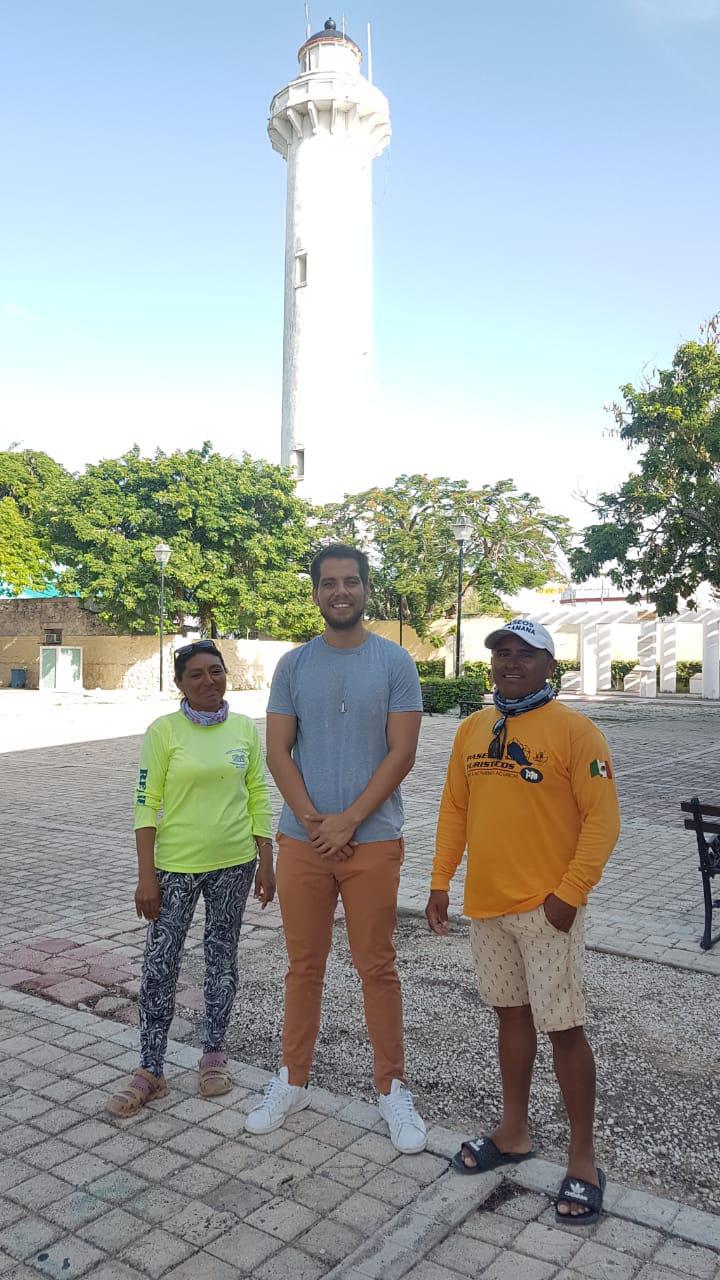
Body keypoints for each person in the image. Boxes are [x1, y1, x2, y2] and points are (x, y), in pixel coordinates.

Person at [426, 618, 620, 1225]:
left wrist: (569, 894)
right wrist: (439, 881)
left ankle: (584, 1159)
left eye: (524, 654)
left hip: (548, 908)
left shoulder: (576, 732)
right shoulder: (472, 730)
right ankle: (513, 1134)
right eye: (501, 654)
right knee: (510, 1018)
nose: (510, 663)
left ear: (548, 667)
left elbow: (602, 820)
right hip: (487, 906)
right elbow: (454, 808)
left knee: (564, 1027)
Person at [244, 544, 427, 1153]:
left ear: (366, 588)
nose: (340, 592)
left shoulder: (396, 662)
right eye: (329, 583)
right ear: (316, 592)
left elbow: (402, 752)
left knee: (376, 966)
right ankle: (292, 1078)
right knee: (303, 967)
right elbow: (277, 751)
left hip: (372, 841)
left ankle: (392, 1089)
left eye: (350, 582)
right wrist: (313, 820)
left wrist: (349, 820)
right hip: (304, 843)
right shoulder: (293, 666)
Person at [107, 639, 275, 1117]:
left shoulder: (244, 729)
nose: (208, 681)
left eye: (216, 671)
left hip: (235, 864)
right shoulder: (163, 731)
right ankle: (150, 1069)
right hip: (174, 867)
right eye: (196, 674)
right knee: (161, 963)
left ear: (227, 675)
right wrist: (146, 876)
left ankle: (214, 1054)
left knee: (222, 960)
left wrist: (267, 858)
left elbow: (258, 793)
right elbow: (146, 802)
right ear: (179, 683)